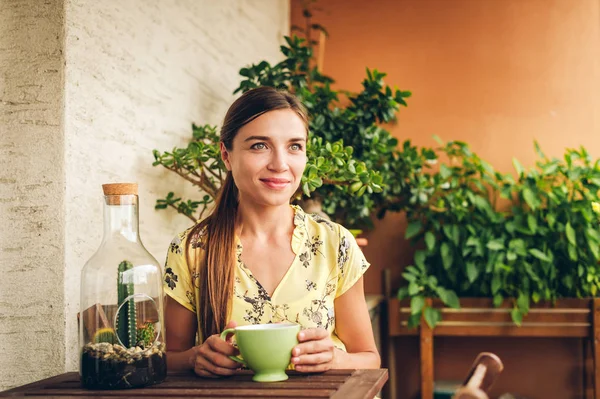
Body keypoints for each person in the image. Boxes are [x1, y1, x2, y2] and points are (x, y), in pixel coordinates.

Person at [163, 86, 380, 378]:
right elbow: (166, 359)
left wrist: (334, 359)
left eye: (294, 146)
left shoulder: (335, 243)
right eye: (259, 146)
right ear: (226, 155)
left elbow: (369, 359)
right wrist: (195, 358)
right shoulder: (192, 249)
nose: (280, 164)